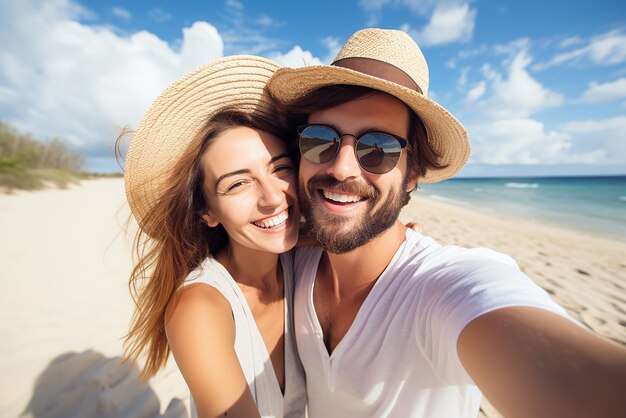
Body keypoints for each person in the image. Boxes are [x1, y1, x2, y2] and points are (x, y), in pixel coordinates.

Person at [266, 28, 626, 418]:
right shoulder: (288, 262)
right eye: (321, 139)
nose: (341, 167)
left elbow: (563, 374)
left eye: (379, 148)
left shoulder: (442, 285)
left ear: (413, 173)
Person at [122, 56, 306, 418]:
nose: (273, 197)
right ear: (207, 212)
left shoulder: (307, 261)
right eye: (238, 183)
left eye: (280, 168)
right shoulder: (198, 307)